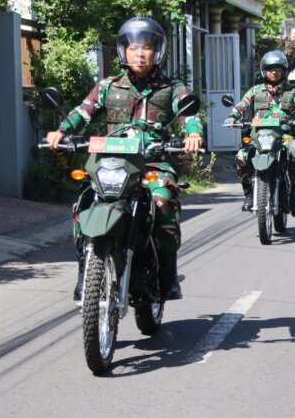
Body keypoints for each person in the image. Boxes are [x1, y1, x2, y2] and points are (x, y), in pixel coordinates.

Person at [46, 17, 204, 302]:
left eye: (146, 47)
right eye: (133, 48)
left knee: (163, 201)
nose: (140, 53)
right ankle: (86, 269)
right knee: (84, 203)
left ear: (158, 51)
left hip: (153, 163)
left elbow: (189, 115)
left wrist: (193, 134)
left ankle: (168, 274)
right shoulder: (108, 86)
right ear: (123, 52)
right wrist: (61, 131)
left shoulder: (172, 87)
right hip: (112, 163)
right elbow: (83, 112)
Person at [226, 50, 295, 215]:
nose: (274, 72)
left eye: (277, 68)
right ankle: (248, 193)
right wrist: (232, 117)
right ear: (264, 70)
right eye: (270, 69)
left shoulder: (292, 92)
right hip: (259, 135)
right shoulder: (255, 90)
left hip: (284, 134)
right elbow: (242, 105)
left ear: (283, 70)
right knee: (241, 156)